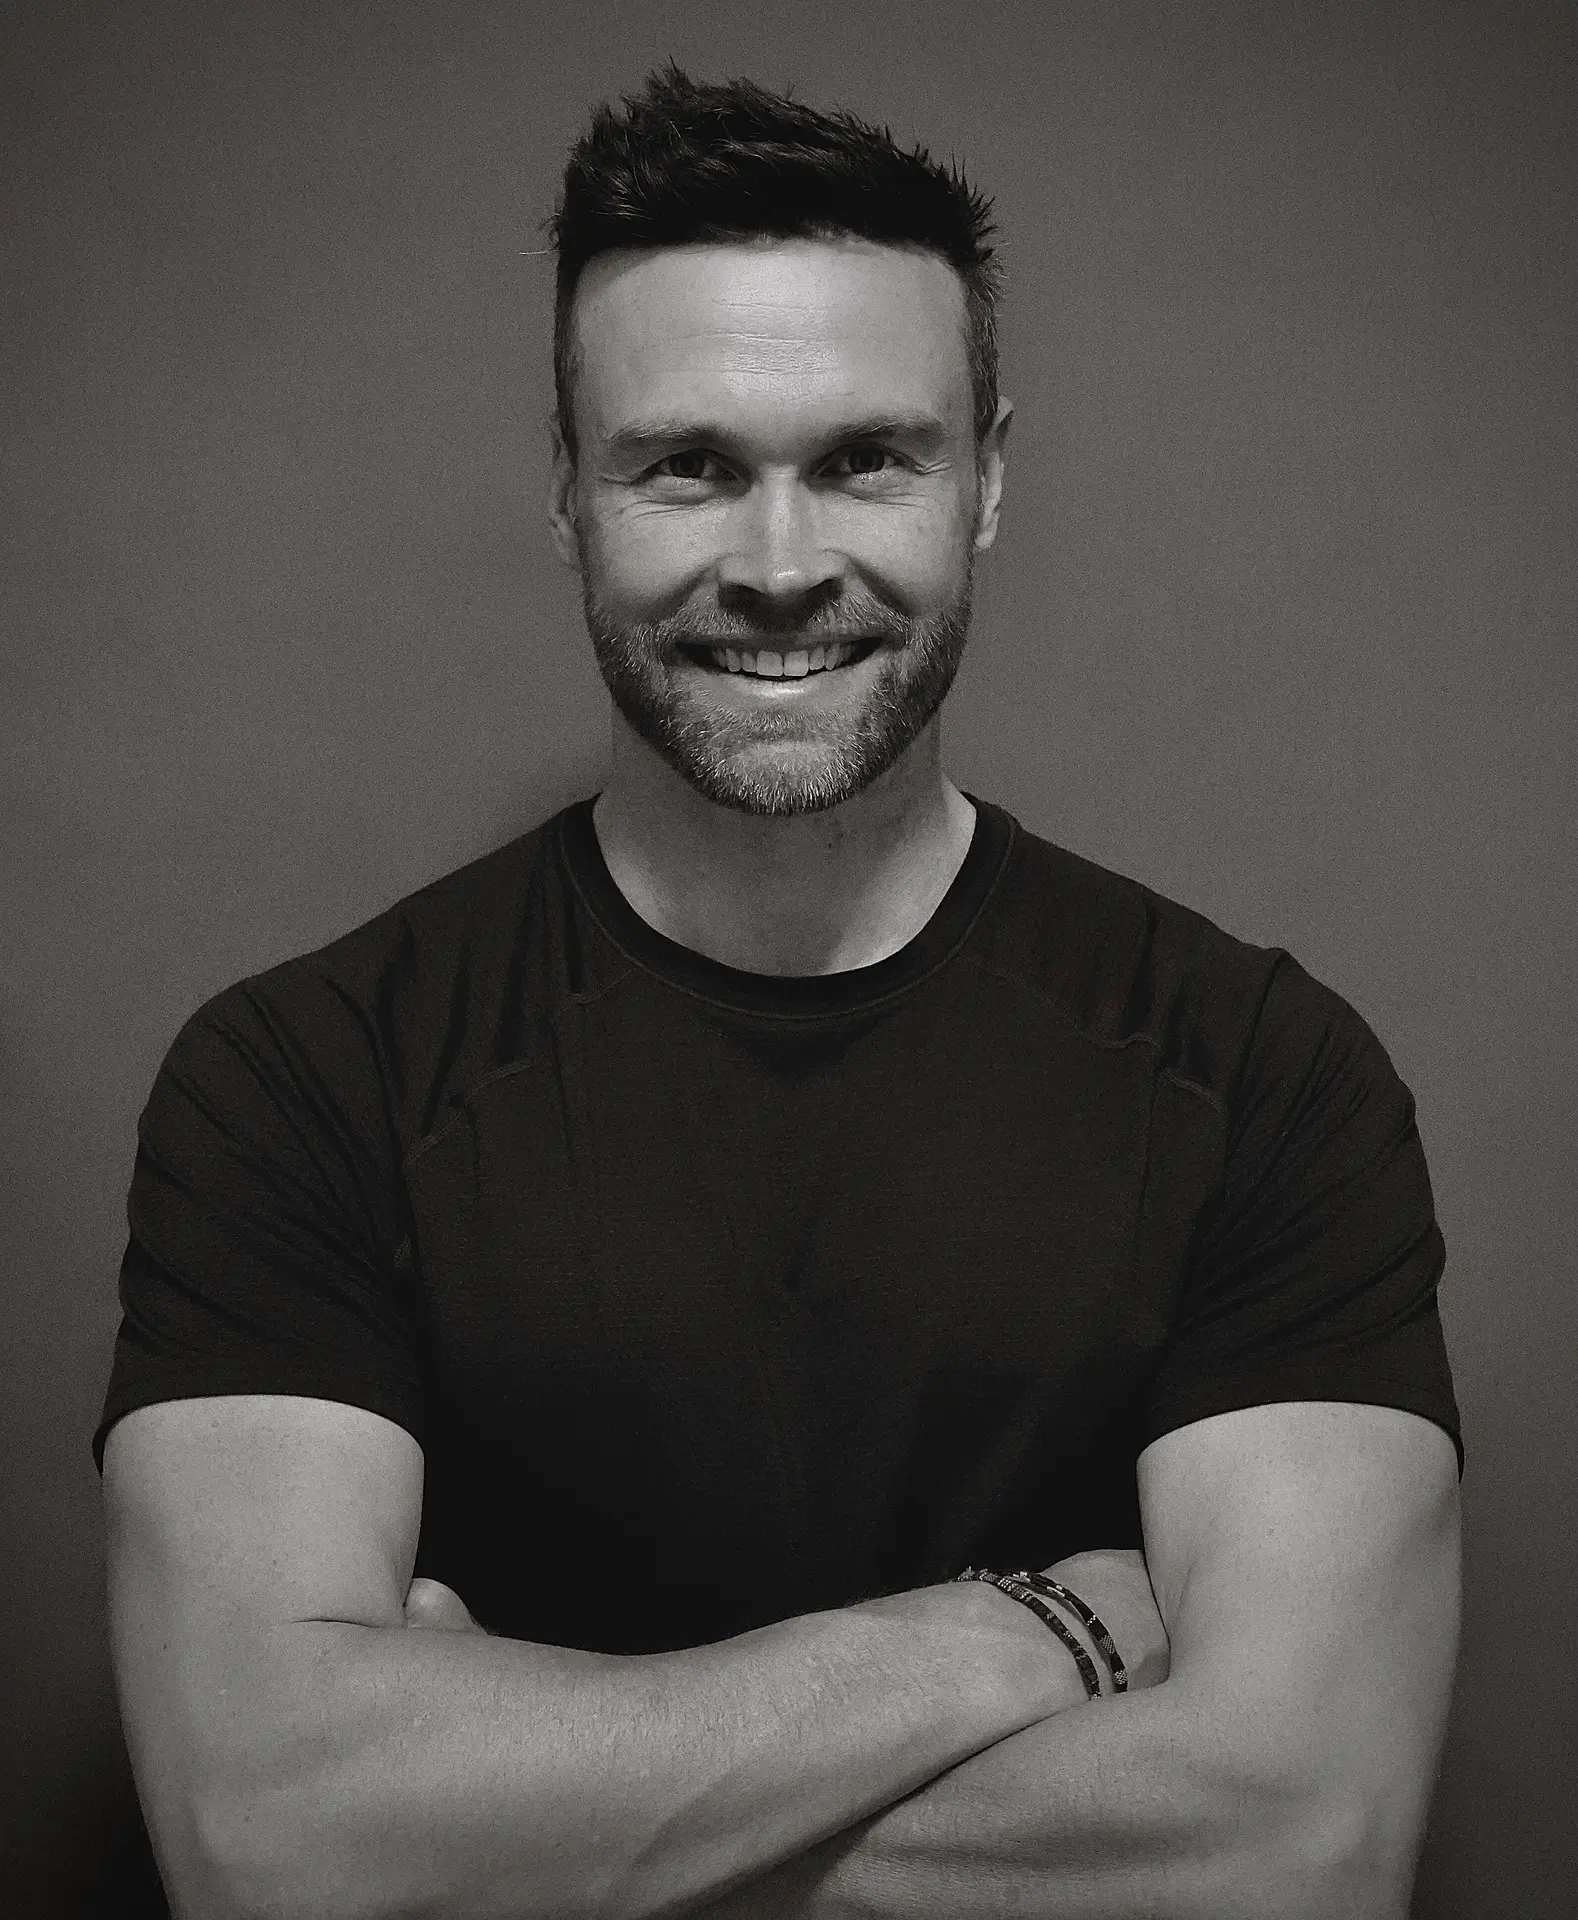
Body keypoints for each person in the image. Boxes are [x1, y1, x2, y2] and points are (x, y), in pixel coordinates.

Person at [98, 66, 1463, 1920]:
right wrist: (1018, 1637)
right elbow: (272, 1844)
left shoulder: (1263, 1078)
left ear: (987, 480)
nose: (778, 566)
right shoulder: (302, 1080)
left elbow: (1299, 1847)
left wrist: (506, 1823)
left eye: (867, 459)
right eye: (686, 466)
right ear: (566, 494)